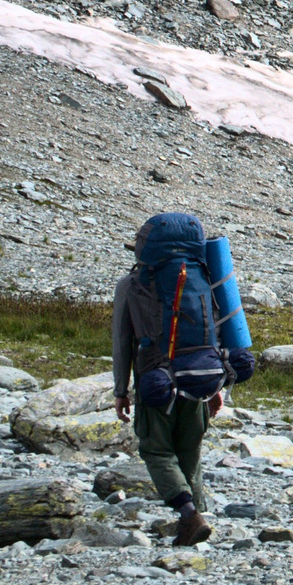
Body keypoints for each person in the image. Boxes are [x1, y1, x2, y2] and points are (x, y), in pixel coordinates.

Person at [112, 213, 253, 546]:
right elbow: (215, 331)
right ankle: (199, 518)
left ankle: (189, 514)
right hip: (201, 378)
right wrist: (217, 385)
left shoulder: (130, 285)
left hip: (155, 380)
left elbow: (122, 342)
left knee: (157, 451)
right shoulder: (203, 278)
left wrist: (121, 391)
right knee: (190, 449)